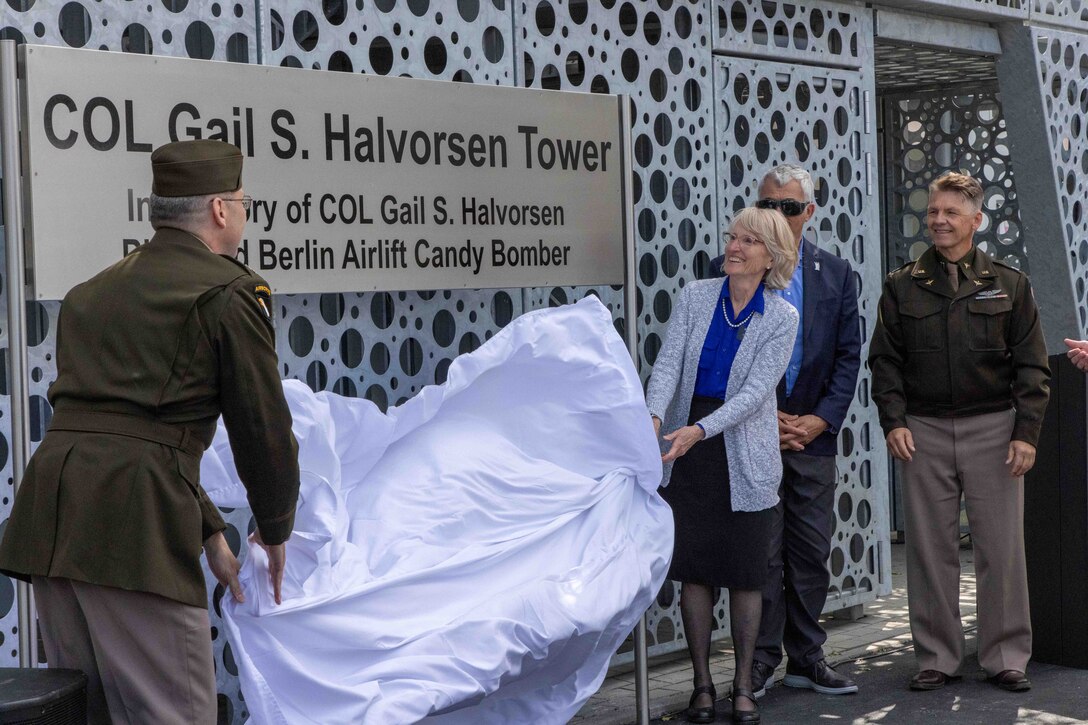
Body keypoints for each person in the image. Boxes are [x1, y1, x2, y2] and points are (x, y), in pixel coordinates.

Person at [0, 140, 300, 724]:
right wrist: (275, 524)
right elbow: (261, 428)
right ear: (220, 209)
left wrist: (209, 529)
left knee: (87, 713)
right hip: (132, 534)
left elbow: (129, 426)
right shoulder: (230, 293)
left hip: (55, 522)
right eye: (242, 201)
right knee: (173, 714)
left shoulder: (92, 293)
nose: (242, 212)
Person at [869, 172, 1050, 693]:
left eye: (950, 212)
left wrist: (1026, 433)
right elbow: (885, 362)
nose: (939, 221)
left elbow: (1032, 367)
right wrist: (894, 421)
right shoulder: (902, 284)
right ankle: (937, 657)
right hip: (922, 431)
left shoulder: (1010, 284)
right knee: (929, 551)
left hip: (994, 430)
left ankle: (1006, 655)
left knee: (1001, 549)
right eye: (932, 212)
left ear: (976, 220)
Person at [707, 165, 861, 697]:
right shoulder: (727, 269)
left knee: (811, 550)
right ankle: (759, 662)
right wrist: (760, 416)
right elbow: (718, 358)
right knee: (762, 553)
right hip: (753, 434)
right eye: (767, 206)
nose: (776, 216)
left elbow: (847, 357)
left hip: (811, 436)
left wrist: (820, 418)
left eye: (788, 208)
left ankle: (807, 657)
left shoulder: (836, 273)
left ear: (808, 214)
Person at [647, 207, 800, 724]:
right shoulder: (695, 296)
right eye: (732, 237)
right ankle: (702, 688)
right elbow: (668, 363)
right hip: (685, 449)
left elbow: (756, 395)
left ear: (771, 256)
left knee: (744, 575)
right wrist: (652, 414)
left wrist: (700, 431)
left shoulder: (782, 317)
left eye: (748, 241)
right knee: (694, 572)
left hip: (741, 451)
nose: (734, 247)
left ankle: (743, 690)